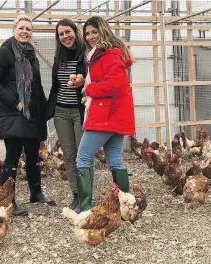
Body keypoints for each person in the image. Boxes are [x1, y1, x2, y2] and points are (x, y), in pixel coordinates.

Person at [0, 15, 55, 216]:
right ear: (14, 29)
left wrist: (44, 108)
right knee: (12, 158)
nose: (25, 31)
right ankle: (9, 200)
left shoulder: (31, 54)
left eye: (28, 29)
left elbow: (36, 86)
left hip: (32, 114)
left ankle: (36, 192)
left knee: (33, 156)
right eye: (21, 28)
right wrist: (14, 102)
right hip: (14, 114)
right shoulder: (3, 53)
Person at [76, 16, 136, 212]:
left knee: (83, 157)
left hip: (106, 115)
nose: (91, 36)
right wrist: (85, 83)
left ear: (104, 31)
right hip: (115, 115)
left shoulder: (108, 55)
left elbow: (115, 85)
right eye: (87, 33)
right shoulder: (101, 55)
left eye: (95, 32)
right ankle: (125, 207)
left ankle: (85, 209)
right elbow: (107, 79)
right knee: (114, 160)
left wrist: (90, 89)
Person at [46, 19, 93, 211]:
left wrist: (83, 84)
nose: (65, 36)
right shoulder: (59, 56)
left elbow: (93, 80)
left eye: (68, 32)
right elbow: (56, 86)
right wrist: (48, 108)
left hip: (80, 111)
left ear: (75, 32)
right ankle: (76, 194)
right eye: (61, 34)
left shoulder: (86, 55)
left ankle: (87, 196)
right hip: (61, 112)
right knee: (69, 155)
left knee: (84, 155)